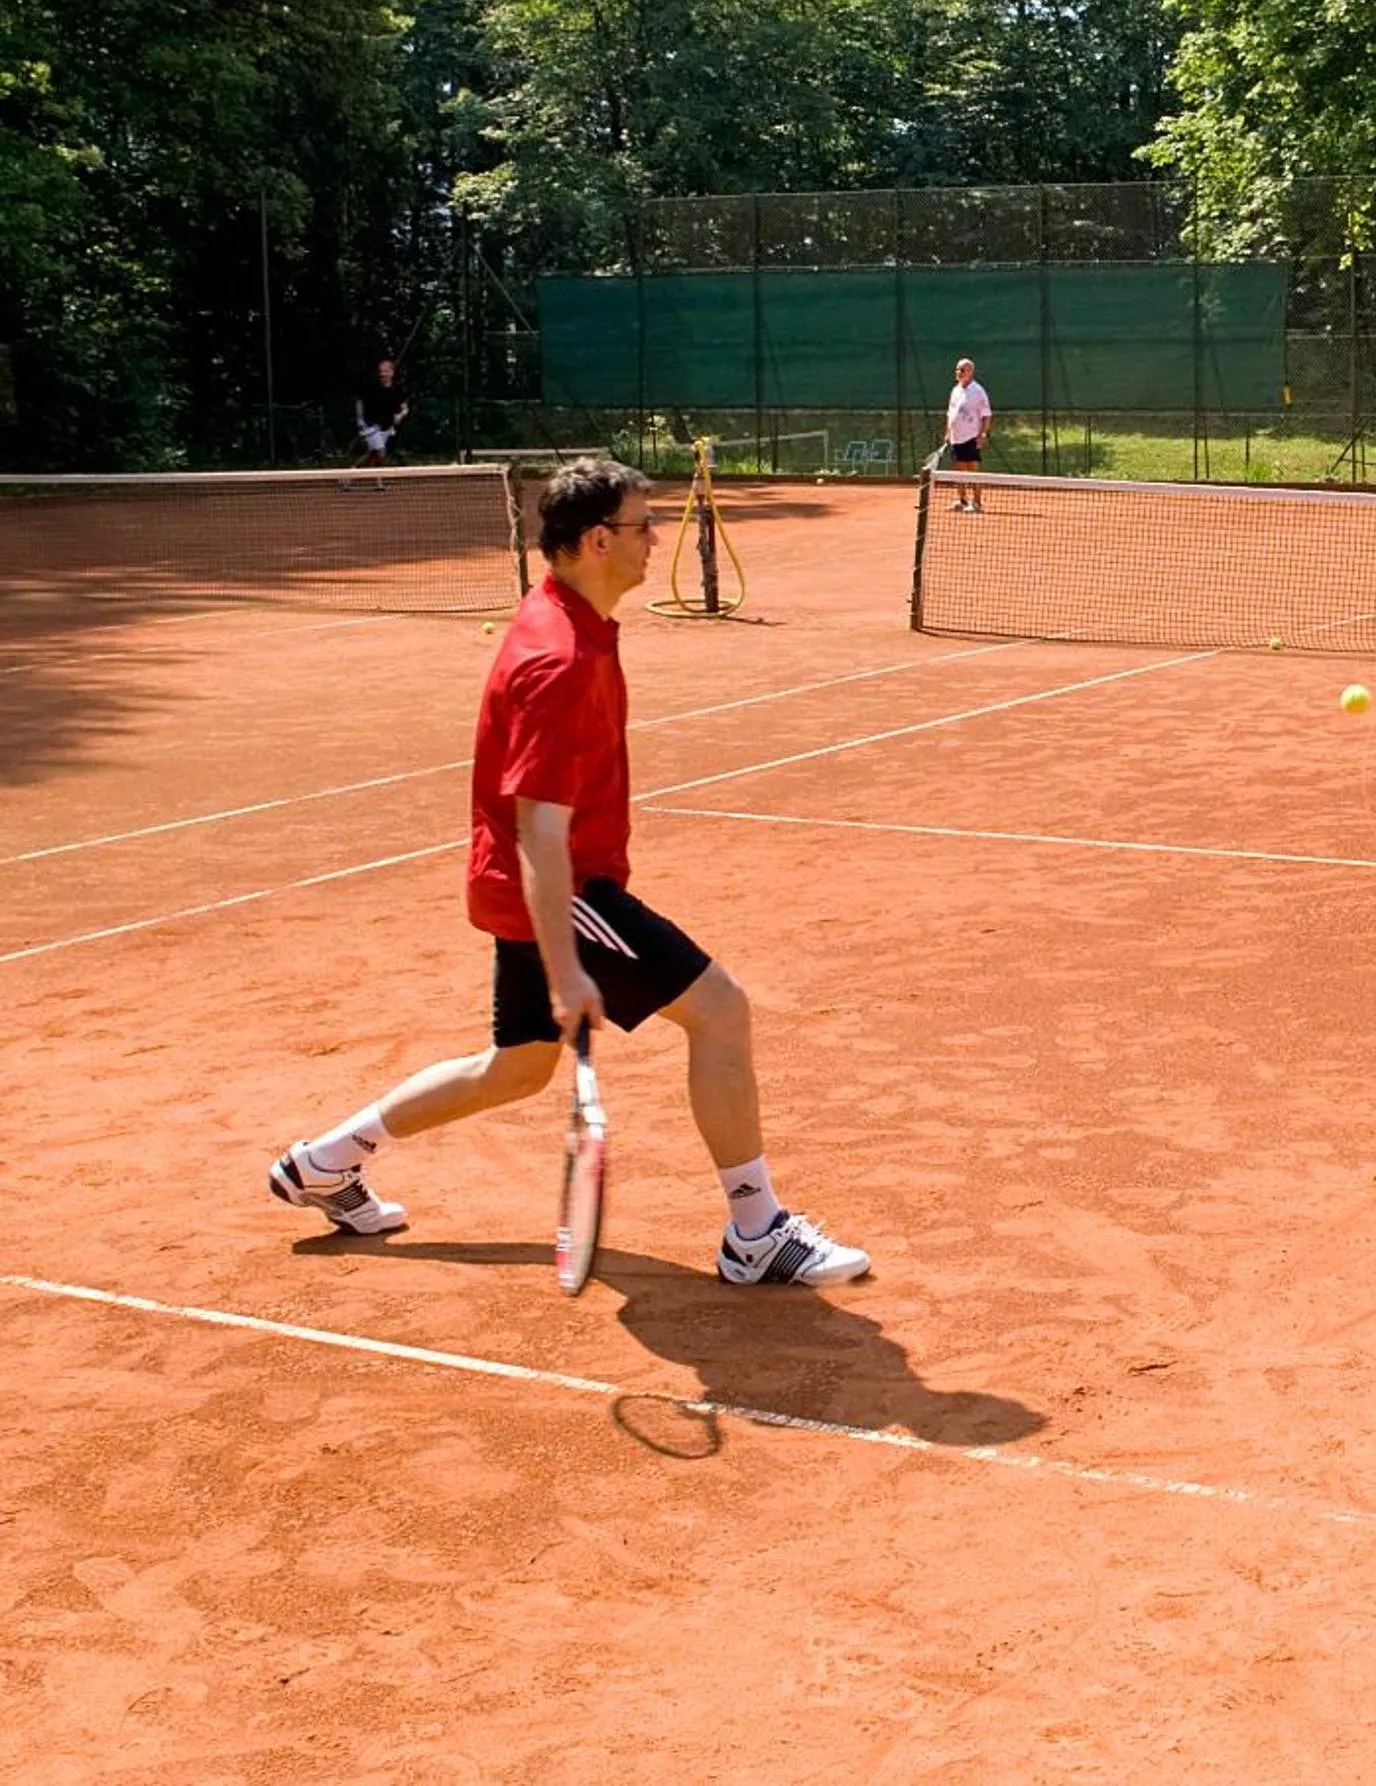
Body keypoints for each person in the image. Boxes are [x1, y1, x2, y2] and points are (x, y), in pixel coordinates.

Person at [267, 458, 871, 1288]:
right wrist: (564, 972)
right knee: (720, 1013)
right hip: (564, 889)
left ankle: (327, 1162)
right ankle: (756, 1230)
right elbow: (540, 835)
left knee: (516, 1068)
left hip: (526, 886)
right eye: (641, 525)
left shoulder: (568, 618)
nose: (654, 539)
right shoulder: (560, 659)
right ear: (596, 541)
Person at [943, 359, 994, 510]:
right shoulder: (955, 390)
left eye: (962, 370)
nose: (958, 372)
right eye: (957, 369)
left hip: (971, 437)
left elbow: (986, 415)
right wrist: (948, 431)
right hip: (956, 437)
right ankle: (962, 500)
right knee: (959, 471)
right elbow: (950, 413)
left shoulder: (978, 391)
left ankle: (976, 503)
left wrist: (982, 434)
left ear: (970, 372)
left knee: (972, 471)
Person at [354, 358, 409, 467]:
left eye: (386, 371)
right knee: (381, 451)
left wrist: (400, 415)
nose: (383, 374)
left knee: (372, 454)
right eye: (381, 371)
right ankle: (380, 476)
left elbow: (405, 409)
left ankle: (354, 470)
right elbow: (359, 401)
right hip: (370, 425)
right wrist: (360, 419)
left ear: (392, 373)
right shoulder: (372, 386)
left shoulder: (397, 389)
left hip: (386, 426)